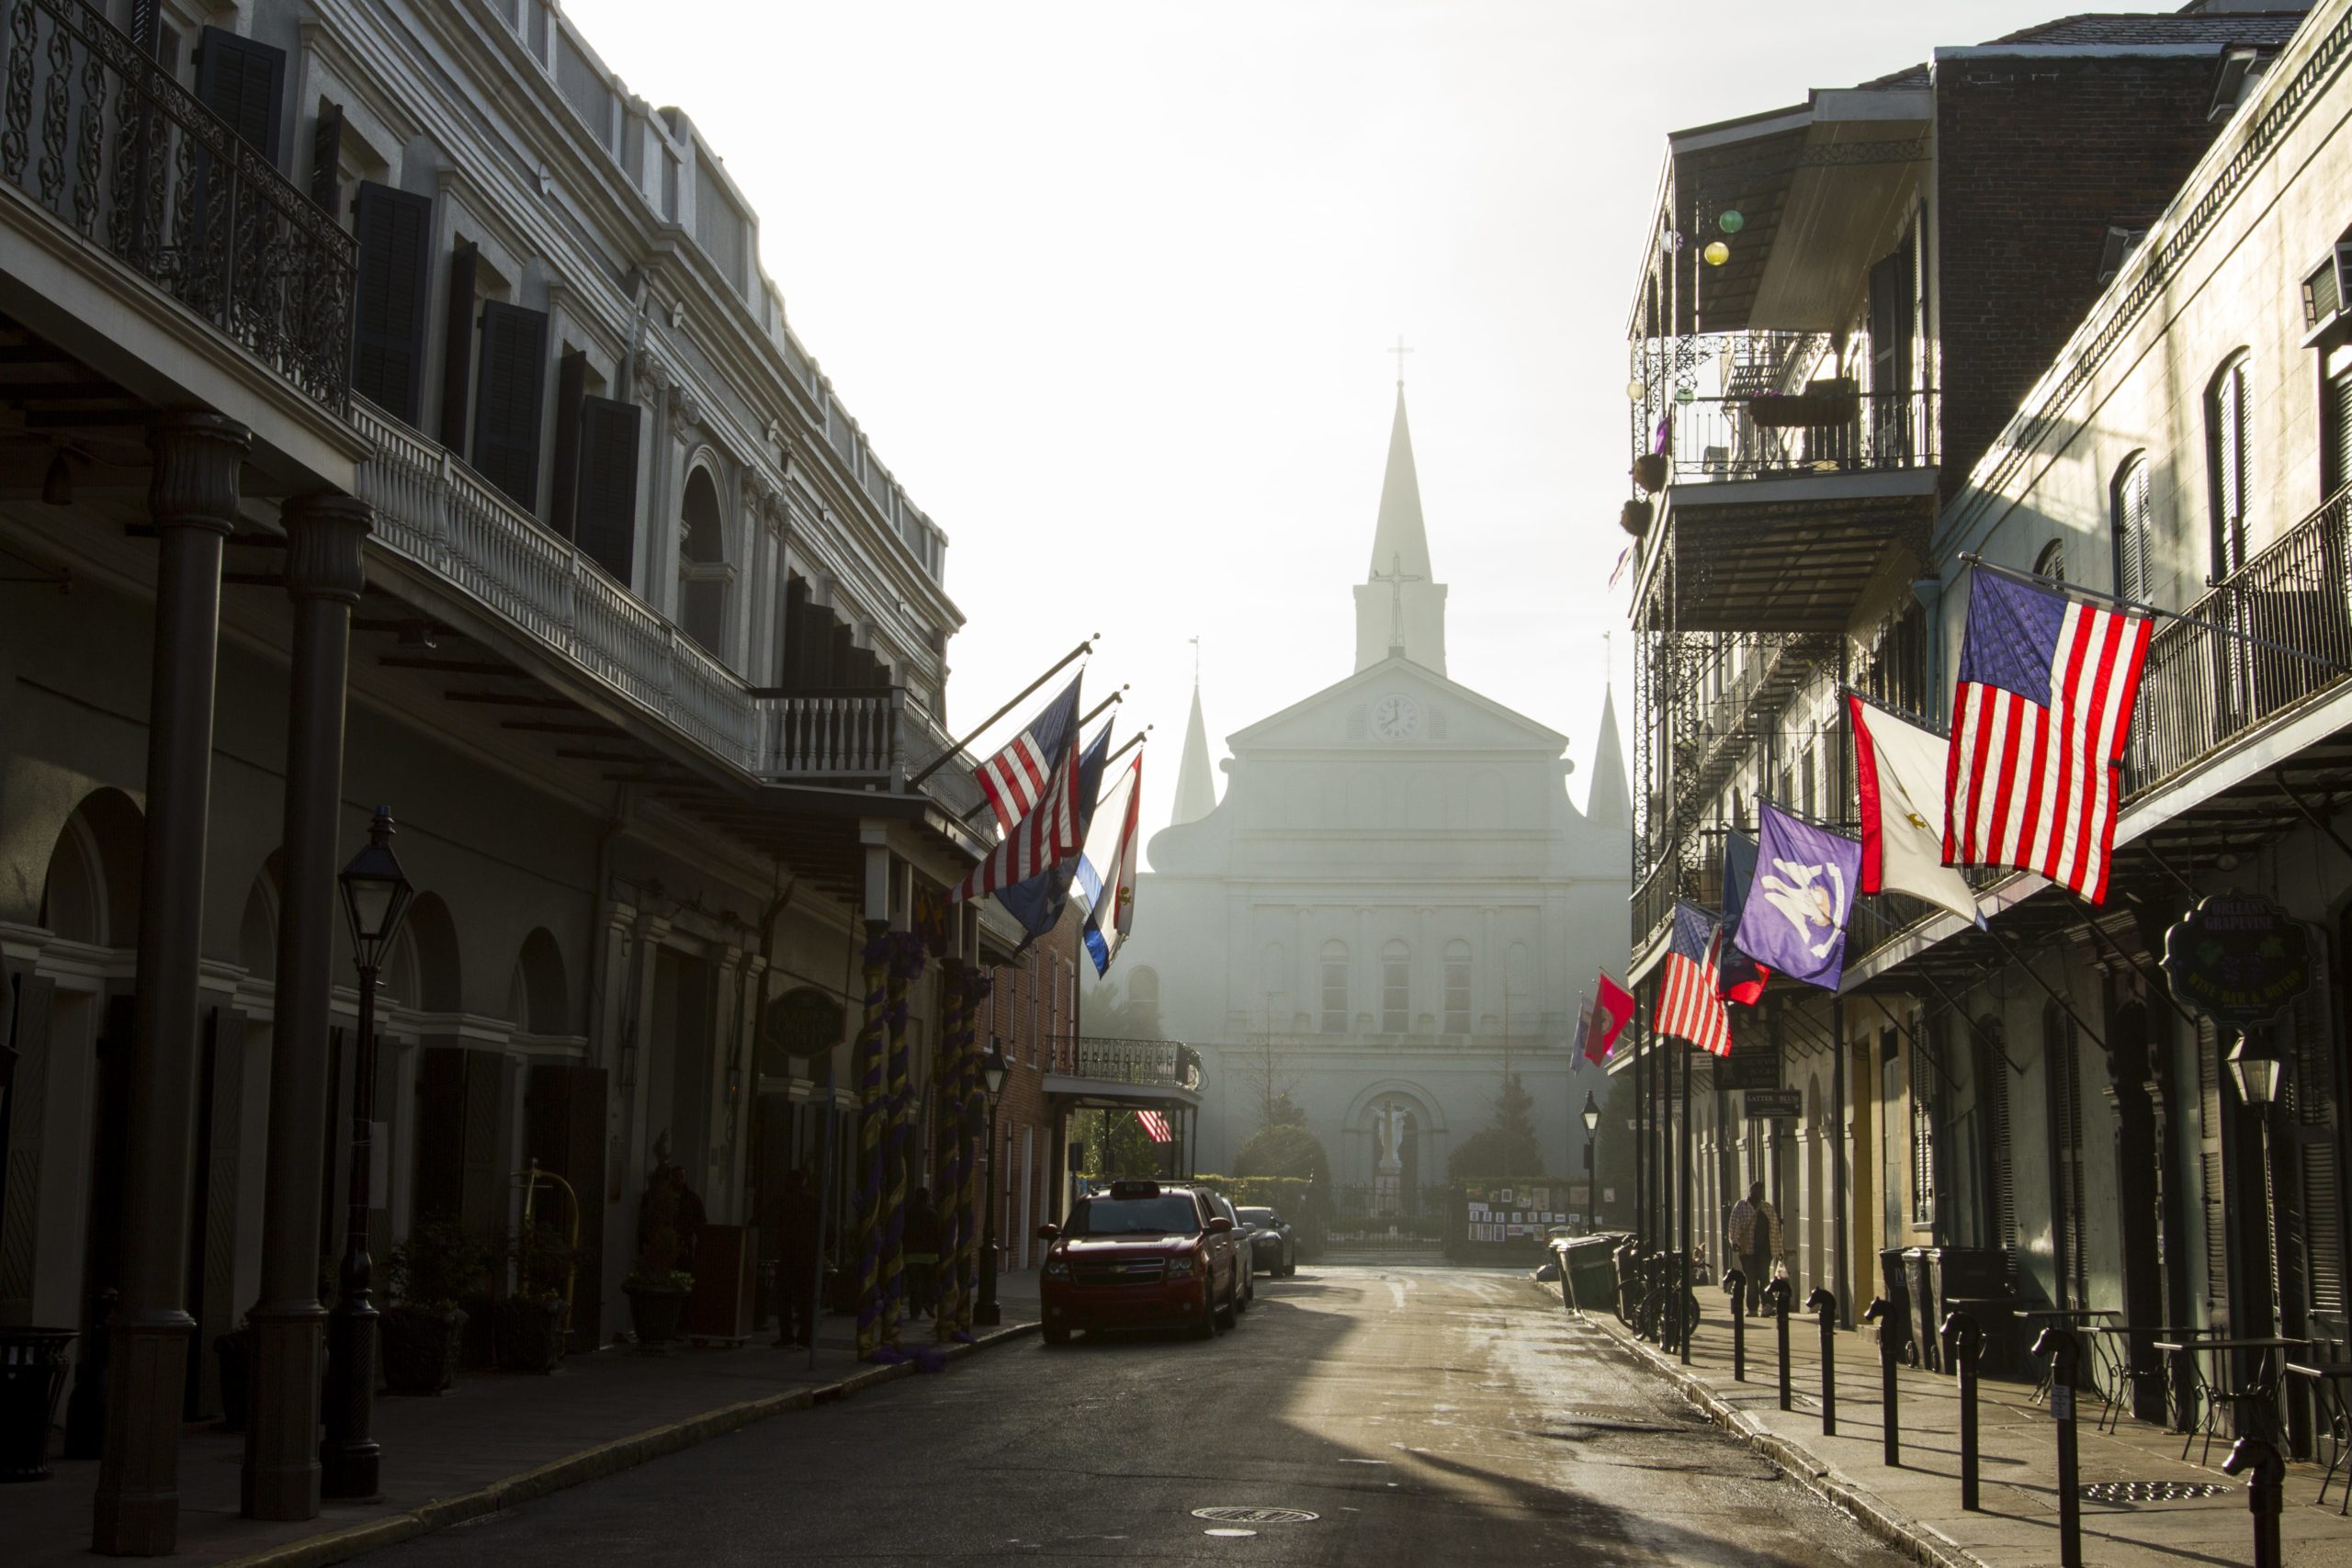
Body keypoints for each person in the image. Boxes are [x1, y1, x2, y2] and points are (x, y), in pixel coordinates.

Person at [775, 1169, 821, 1348]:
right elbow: (829, 1230)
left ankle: (787, 1335)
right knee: (806, 1300)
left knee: (785, 1298)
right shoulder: (814, 1202)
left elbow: (770, 1222)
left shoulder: (785, 1201)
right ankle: (804, 1337)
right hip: (806, 1257)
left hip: (788, 1256)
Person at [1727, 1182, 1773, 1317]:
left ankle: (1767, 1305)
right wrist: (1734, 1242)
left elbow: (1775, 1229)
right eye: (1756, 1191)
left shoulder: (1767, 1208)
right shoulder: (1741, 1206)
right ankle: (1752, 1307)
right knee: (1751, 1279)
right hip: (1747, 1251)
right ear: (1751, 1191)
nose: (1759, 1194)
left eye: (1761, 1191)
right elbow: (1733, 1226)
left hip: (1764, 1250)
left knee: (1764, 1277)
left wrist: (1778, 1250)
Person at [904, 1187, 942, 1320]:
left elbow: (903, 1233)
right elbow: (938, 1234)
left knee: (914, 1284)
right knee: (930, 1281)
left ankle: (915, 1311)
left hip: (911, 1255)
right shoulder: (933, 1214)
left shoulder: (908, 1213)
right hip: (930, 1255)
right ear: (927, 1198)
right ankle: (929, 1302)